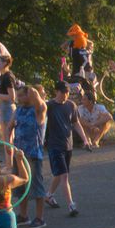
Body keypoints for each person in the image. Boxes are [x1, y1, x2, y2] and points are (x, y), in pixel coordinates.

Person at [10, 85, 48, 228]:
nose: (18, 98)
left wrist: (33, 91)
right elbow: (10, 125)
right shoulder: (18, 110)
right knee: (20, 185)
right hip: (19, 153)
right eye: (17, 96)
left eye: (21, 95)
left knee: (36, 186)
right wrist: (8, 142)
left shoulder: (38, 111)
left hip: (33, 154)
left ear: (30, 96)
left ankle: (40, 218)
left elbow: (40, 103)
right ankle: (23, 215)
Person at [42, 81, 80, 218]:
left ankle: (49, 195)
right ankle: (71, 205)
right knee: (64, 176)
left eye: (67, 92)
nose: (65, 95)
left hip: (67, 145)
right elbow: (40, 120)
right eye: (63, 92)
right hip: (54, 145)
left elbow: (76, 123)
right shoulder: (49, 106)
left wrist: (86, 140)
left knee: (59, 173)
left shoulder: (71, 105)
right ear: (56, 91)